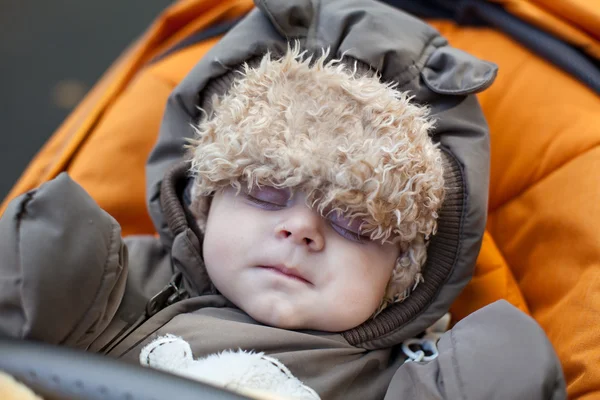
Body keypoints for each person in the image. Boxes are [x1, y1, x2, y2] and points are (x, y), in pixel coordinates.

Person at [0, 0, 566, 399]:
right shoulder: (112, 294)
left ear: (406, 273)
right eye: (267, 192)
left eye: (354, 222)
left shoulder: (402, 380)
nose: (301, 230)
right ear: (205, 200)